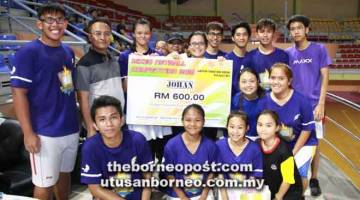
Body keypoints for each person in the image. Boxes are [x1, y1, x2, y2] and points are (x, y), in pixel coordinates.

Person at [10, 3, 79, 199]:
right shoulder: (28, 53)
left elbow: (67, 87)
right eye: (49, 19)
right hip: (44, 132)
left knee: (64, 175)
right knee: (44, 183)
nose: (55, 24)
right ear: (40, 24)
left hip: (70, 128)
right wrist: (28, 133)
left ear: (66, 24)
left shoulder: (68, 52)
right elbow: (18, 94)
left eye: (60, 20)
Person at [286, 15, 331, 197]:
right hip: (294, 105)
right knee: (293, 142)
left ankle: (314, 178)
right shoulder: (288, 53)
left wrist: (321, 103)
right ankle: (295, 177)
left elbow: (326, 77)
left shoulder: (319, 49)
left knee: (315, 143)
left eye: (299, 27)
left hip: (314, 106)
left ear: (307, 29)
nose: (296, 31)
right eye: (292, 28)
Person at [118, 18, 172, 161]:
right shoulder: (125, 57)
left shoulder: (159, 56)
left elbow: (165, 84)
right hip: (137, 112)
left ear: (151, 34)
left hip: (156, 111)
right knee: (140, 155)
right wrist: (137, 67)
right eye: (139, 33)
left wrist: (156, 64)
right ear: (134, 34)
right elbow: (125, 88)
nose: (143, 36)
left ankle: (158, 182)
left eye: (146, 33)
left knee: (159, 154)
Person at [260, 63, 318, 194]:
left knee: (298, 172)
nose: (276, 82)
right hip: (280, 144)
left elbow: (307, 129)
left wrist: (292, 153)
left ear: (289, 81)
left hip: (303, 143)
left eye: (281, 78)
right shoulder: (265, 100)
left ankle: (299, 196)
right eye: (273, 78)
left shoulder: (302, 100)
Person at [80, 95, 152, 200]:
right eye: (102, 119)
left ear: (121, 120)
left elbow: (148, 178)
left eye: (113, 117)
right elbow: (95, 189)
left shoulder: (137, 140)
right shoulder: (90, 147)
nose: (109, 124)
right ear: (95, 125)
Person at [76, 18, 125, 138]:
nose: (103, 37)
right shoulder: (84, 64)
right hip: (100, 125)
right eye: (98, 33)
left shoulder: (114, 59)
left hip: (117, 121)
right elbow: (83, 99)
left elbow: (121, 88)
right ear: (90, 36)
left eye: (107, 34)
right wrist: (90, 127)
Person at [163, 104, 218, 199]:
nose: (192, 124)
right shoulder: (172, 145)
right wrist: (183, 197)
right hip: (178, 194)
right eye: (188, 120)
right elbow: (169, 175)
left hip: (202, 193)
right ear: (182, 121)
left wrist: (204, 195)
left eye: (197, 120)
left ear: (203, 122)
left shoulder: (210, 145)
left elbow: (212, 173)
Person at [257, 110, 303, 200]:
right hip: (269, 188)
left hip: (287, 192)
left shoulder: (284, 151)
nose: (263, 129)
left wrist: (278, 197)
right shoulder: (256, 144)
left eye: (268, 125)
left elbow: (288, 180)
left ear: (277, 128)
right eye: (260, 125)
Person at [216, 111, 263, 200]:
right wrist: (225, 197)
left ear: (247, 128)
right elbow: (219, 175)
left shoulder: (254, 148)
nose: (235, 131)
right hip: (224, 189)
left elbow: (256, 175)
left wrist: (245, 195)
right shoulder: (219, 146)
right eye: (232, 127)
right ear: (226, 127)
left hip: (248, 190)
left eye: (240, 127)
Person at [247, 18, 289, 89]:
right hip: (257, 98)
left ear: (273, 34)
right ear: (257, 34)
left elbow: (286, 79)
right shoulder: (250, 56)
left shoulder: (283, 56)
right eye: (262, 31)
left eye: (269, 31)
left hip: (277, 98)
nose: (265, 35)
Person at [231, 68, 265, 140]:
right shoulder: (236, 99)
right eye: (244, 82)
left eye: (252, 81)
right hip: (240, 138)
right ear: (238, 83)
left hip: (262, 139)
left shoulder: (267, 99)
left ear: (258, 81)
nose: (248, 85)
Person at [225, 22, 253, 95]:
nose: (241, 38)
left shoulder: (253, 59)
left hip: (248, 101)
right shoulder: (226, 60)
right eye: (238, 35)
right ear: (233, 38)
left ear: (249, 37)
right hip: (231, 103)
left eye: (244, 34)